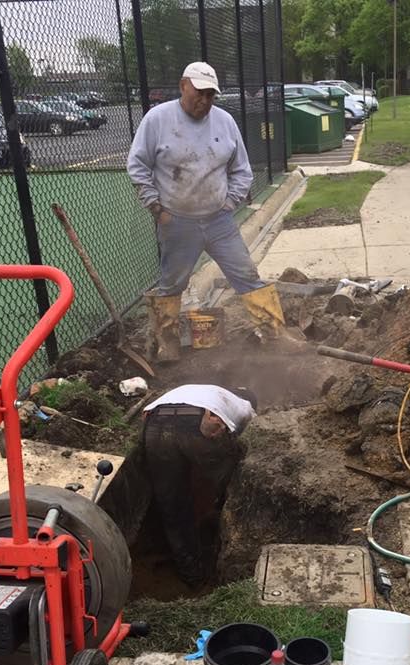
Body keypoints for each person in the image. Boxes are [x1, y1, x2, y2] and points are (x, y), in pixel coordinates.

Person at [127, 61, 288, 362]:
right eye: (199, 93)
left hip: (219, 220)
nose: (204, 101)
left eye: (210, 95)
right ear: (183, 85)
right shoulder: (158, 119)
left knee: (246, 274)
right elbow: (138, 166)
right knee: (172, 283)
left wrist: (229, 204)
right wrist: (157, 208)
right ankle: (167, 343)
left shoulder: (224, 121)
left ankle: (275, 334)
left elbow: (242, 170)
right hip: (176, 222)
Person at [142, 384, 257, 584]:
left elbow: (146, 415)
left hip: (156, 422)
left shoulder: (202, 391)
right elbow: (254, 437)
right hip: (197, 423)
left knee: (172, 502)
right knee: (231, 479)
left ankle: (192, 572)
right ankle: (219, 522)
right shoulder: (245, 405)